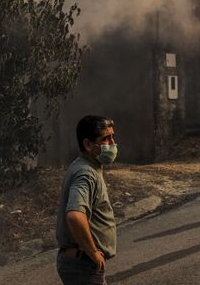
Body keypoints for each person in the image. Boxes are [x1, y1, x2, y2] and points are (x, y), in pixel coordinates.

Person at [56, 115, 118, 285]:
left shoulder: (87, 166)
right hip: (83, 265)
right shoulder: (86, 174)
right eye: (105, 139)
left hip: (80, 263)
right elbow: (75, 216)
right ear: (88, 144)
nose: (112, 144)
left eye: (113, 137)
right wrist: (94, 253)